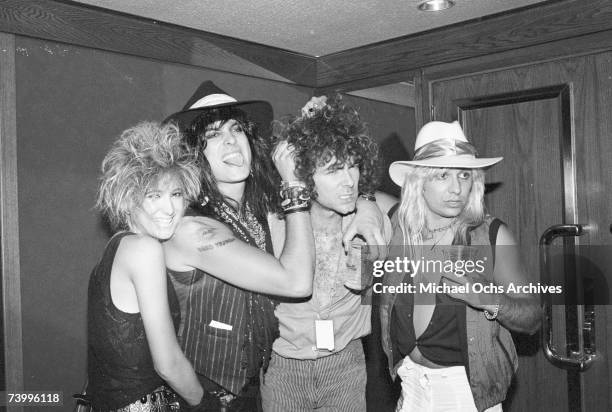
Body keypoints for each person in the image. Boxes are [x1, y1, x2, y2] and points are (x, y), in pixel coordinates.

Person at [161, 82, 390, 410]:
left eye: (236, 128)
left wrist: (366, 203)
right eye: (212, 134)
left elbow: (377, 196)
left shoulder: (254, 209)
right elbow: (295, 283)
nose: (230, 140)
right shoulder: (194, 227)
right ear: (193, 153)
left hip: (265, 382)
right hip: (212, 392)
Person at [380, 120, 542, 412]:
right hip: (410, 386)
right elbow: (366, 199)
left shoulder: (491, 236)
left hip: (465, 395)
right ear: (418, 181)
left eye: (464, 175)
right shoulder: (399, 225)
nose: (456, 188)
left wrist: (488, 299)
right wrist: (366, 206)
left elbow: (533, 317)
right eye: (443, 175)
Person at [260, 95, 394, 412]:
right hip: (283, 364)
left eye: (353, 166)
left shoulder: (370, 225)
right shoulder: (273, 224)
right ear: (304, 176)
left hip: (345, 361)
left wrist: (368, 205)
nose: (349, 181)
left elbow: (358, 280)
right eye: (333, 170)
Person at [87, 121, 204, 411]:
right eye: (154, 196)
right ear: (128, 198)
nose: (170, 209)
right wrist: (205, 403)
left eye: (176, 194)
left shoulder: (118, 245)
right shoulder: (145, 249)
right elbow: (168, 364)